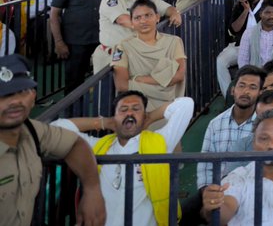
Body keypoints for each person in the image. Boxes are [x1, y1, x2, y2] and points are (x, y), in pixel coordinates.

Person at [52, 92, 194, 226]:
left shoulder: (161, 142)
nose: (130, 113)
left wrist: (150, 118)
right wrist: (104, 122)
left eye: (136, 109)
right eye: (123, 109)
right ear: (114, 117)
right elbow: (56, 128)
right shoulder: (99, 146)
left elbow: (185, 105)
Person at [0, 54, 106, 226]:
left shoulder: (32, 131)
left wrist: (92, 189)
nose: (14, 102)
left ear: (33, 95)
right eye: (4, 95)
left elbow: (75, 144)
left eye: (21, 92)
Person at [50, 0, 118, 92]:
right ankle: (72, 114)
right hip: (77, 40)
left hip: (106, 38)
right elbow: (54, 14)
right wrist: (59, 42)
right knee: (74, 82)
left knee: (111, 78)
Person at [94, 0, 182, 74]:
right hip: (113, 56)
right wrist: (151, 24)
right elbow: (123, 20)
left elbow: (166, 8)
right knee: (109, 89)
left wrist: (174, 13)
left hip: (138, 55)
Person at [112, 0, 186, 115]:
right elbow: (122, 85)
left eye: (148, 15)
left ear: (157, 17)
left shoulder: (174, 42)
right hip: (140, 110)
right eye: (137, 18)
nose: (143, 21)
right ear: (131, 22)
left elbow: (179, 75)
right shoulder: (123, 47)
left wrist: (137, 79)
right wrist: (164, 85)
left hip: (169, 109)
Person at [198, 66, 265, 183]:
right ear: (233, 90)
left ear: (260, 93)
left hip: (254, 191)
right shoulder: (215, 124)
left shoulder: (265, 125)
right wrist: (207, 190)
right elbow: (205, 165)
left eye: (252, 87)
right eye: (241, 85)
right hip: (220, 191)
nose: (246, 91)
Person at [237, 0, 273, 68]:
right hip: (255, 75)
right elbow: (243, 60)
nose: (271, 16)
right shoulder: (249, 32)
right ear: (261, 14)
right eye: (267, 13)